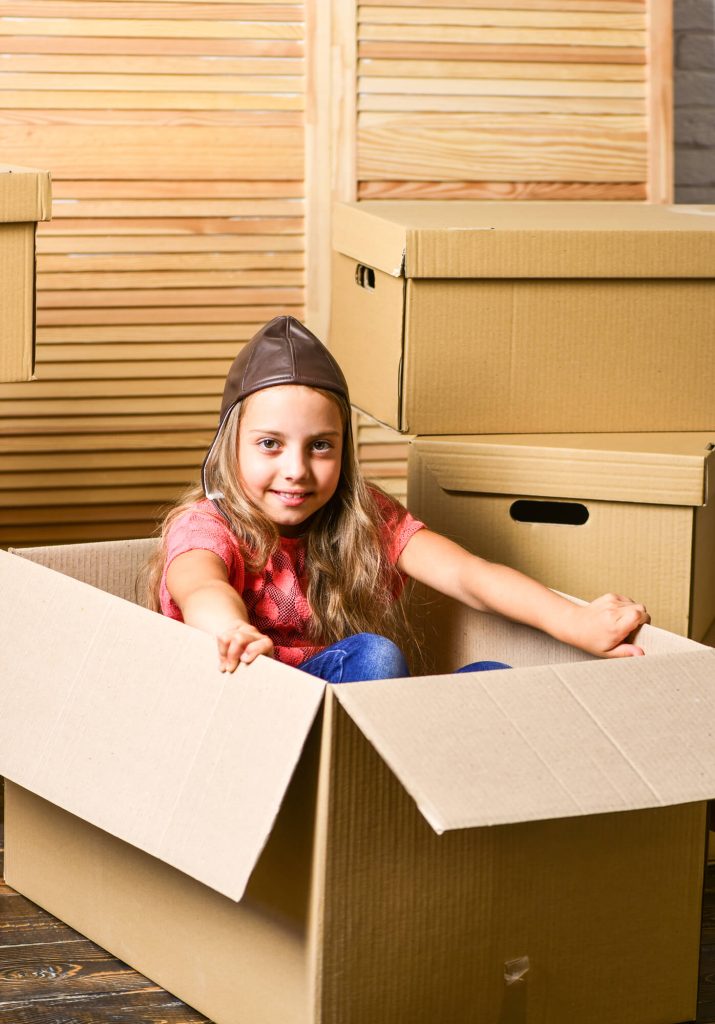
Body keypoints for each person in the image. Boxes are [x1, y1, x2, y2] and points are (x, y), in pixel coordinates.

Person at [144, 315, 649, 682]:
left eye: (321, 446)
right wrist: (231, 627)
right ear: (228, 447)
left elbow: (469, 576)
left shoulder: (363, 517)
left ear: (345, 450)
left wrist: (576, 622)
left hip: (349, 709)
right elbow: (198, 584)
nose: (296, 470)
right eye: (269, 444)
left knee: (498, 681)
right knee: (375, 656)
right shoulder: (209, 524)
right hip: (256, 699)